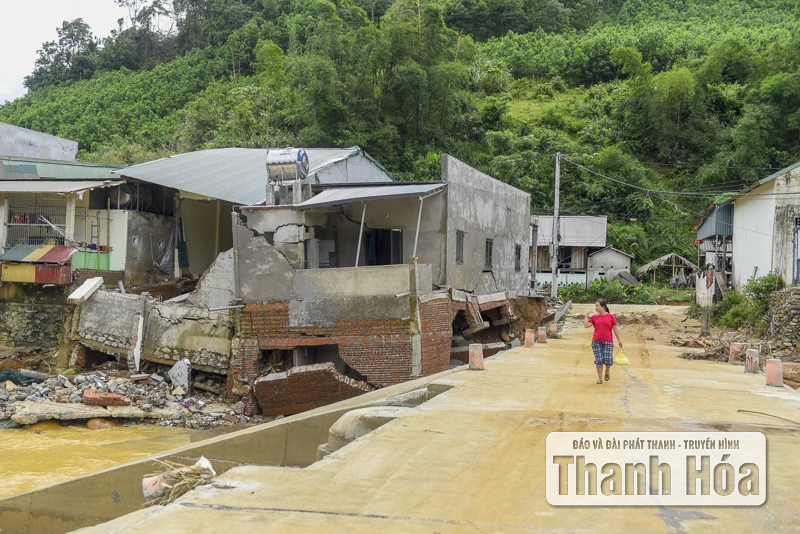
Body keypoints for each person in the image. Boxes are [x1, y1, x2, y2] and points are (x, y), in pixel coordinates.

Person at [584, 299, 623, 384]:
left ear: (603, 307)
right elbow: (586, 325)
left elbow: (615, 328)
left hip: (608, 342)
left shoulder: (610, 316)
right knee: (599, 360)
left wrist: (619, 340)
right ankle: (600, 378)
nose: (595, 307)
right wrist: (586, 315)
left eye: (597, 305)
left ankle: (607, 371)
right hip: (596, 341)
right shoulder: (594, 317)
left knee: (608, 360)